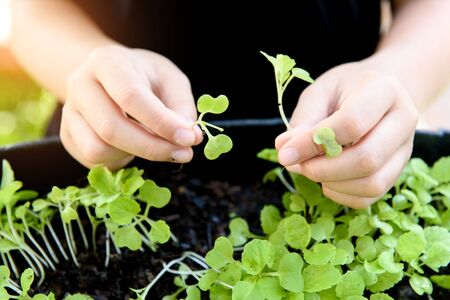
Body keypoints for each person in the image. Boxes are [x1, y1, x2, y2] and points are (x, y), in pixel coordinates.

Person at [7, 0, 450, 208]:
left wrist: (399, 73)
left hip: (354, 160)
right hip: (109, 145)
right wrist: (83, 63)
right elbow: (30, 12)